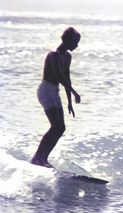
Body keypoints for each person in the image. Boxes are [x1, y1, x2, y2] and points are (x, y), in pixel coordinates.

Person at [31, 27, 81, 168]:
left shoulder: (67, 57)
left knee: (61, 128)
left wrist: (70, 102)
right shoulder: (53, 55)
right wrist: (75, 93)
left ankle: (43, 159)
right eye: (75, 42)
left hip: (55, 92)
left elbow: (67, 79)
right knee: (55, 126)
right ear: (67, 40)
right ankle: (37, 158)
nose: (76, 45)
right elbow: (59, 76)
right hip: (46, 90)